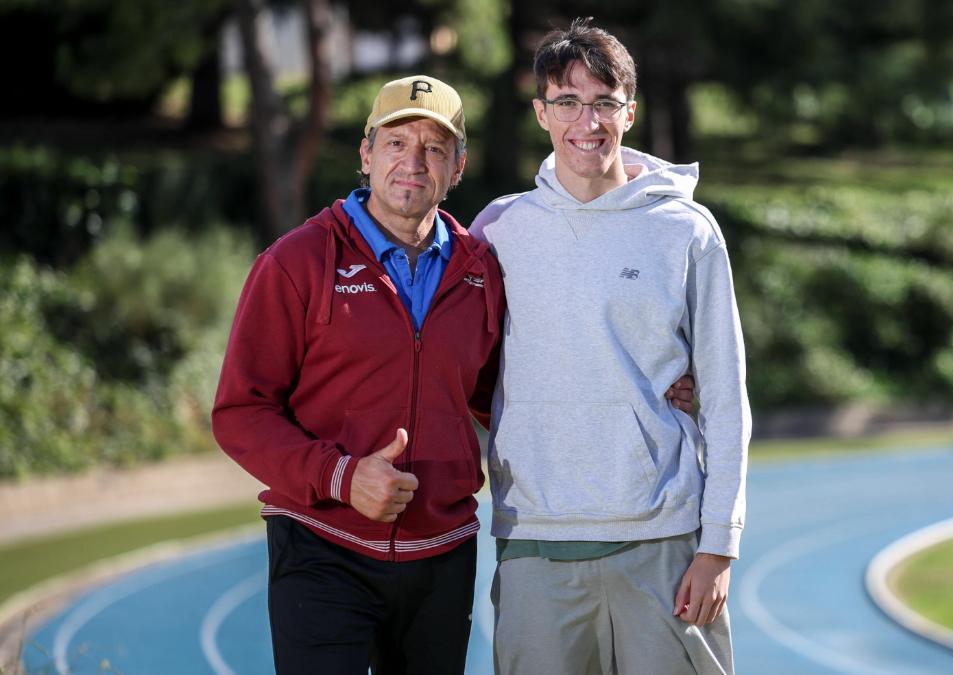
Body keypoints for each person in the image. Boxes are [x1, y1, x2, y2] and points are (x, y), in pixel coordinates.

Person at [212, 73, 695, 674]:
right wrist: (339, 476)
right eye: (396, 143)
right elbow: (241, 411)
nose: (413, 163)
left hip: (441, 554)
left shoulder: (480, 268)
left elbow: (513, 390)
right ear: (366, 153)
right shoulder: (297, 263)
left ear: (457, 167)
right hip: (322, 544)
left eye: (434, 148)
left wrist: (648, 384)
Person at [470, 18, 751, 675]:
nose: (585, 121)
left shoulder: (685, 229)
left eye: (603, 102)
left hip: (664, 543)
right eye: (566, 101)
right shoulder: (499, 230)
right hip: (535, 539)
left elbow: (726, 395)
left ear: (631, 110)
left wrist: (719, 546)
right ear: (541, 112)